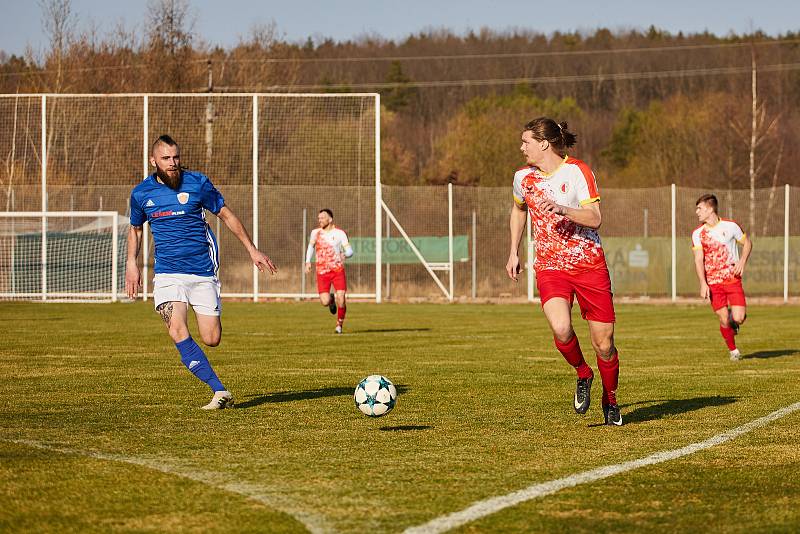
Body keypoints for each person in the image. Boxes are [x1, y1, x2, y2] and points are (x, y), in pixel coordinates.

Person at [125, 135, 277, 409]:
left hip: (203, 271)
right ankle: (219, 390)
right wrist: (131, 263)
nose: (173, 164)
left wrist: (252, 250)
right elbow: (135, 229)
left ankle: (215, 378)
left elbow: (227, 215)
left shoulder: (197, 183)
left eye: (176, 157)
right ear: (153, 161)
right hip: (168, 274)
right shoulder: (141, 193)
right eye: (166, 159)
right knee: (176, 328)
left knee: (211, 339)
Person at [505, 117, 621, 426]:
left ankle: (610, 398)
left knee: (604, 344)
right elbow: (518, 210)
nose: (521, 147)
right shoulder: (522, 178)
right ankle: (583, 372)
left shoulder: (578, 171)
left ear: (543, 144)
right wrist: (513, 251)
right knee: (560, 328)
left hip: (589, 266)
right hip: (550, 265)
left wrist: (563, 208)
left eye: (526, 142)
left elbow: (595, 218)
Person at [692, 194, 752, 361]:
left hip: (732, 280)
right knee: (723, 318)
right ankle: (733, 351)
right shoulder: (698, 234)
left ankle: (735, 319)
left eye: (700, 208)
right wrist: (703, 283)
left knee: (738, 318)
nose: (697, 212)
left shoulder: (731, 226)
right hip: (713, 284)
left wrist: (742, 261)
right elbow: (698, 259)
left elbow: (747, 243)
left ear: (710, 209)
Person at [305, 209, 353, 334]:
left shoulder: (340, 233)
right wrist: (307, 261)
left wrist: (344, 255)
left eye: (322, 217)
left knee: (341, 298)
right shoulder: (315, 233)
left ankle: (339, 325)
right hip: (322, 272)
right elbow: (311, 247)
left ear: (330, 219)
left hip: (337, 271)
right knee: (325, 302)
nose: (319, 220)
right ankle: (331, 300)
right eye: (319, 218)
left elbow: (350, 251)